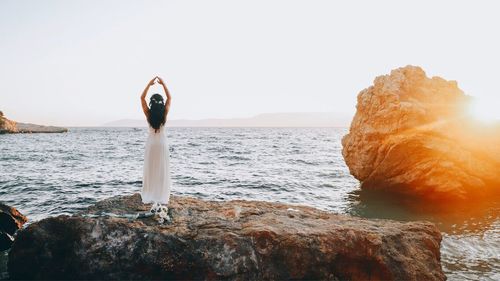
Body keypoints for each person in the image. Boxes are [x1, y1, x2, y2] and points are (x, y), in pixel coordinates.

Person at [140, 76, 172, 205]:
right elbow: (170, 98)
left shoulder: (148, 113)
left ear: (152, 103)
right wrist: (163, 83)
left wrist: (149, 84)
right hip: (162, 143)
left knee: (151, 168)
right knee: (161, 169)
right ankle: (161, 194)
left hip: (152, 144)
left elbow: (142, 98)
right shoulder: (164, 113)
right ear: (161, 102)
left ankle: (150, 193)